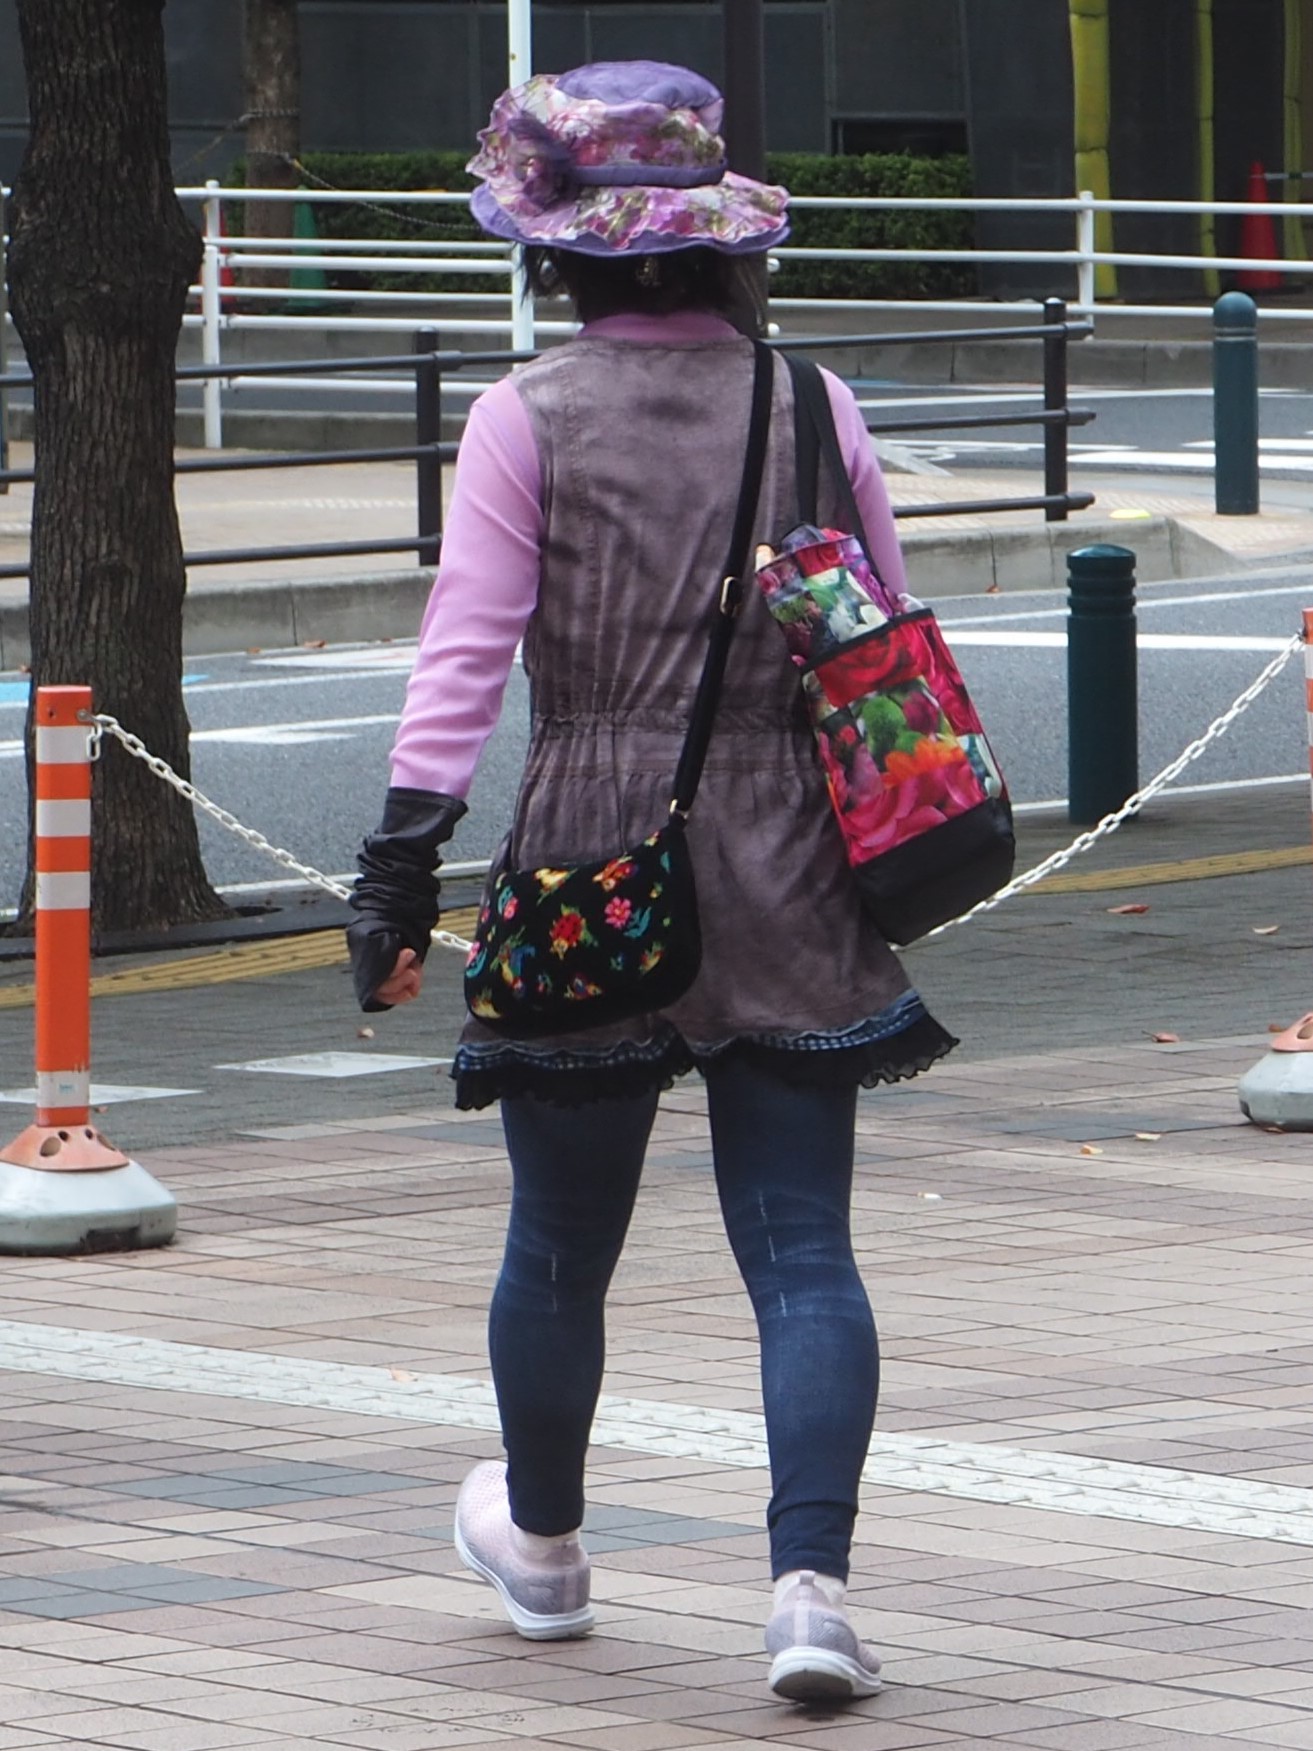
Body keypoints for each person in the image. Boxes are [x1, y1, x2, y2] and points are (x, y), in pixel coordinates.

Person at [347, 59, 957, 1705]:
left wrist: (399, 869)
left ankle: (544, 1551)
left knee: (559, 1238)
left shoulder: (525, 414)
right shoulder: (809, 404)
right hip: (791, 851)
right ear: (716, 240)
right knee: (803, 1250)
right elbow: (878, 628)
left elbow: (462, 658)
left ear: (560, 251)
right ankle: (809, 1596)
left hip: (585, 847)